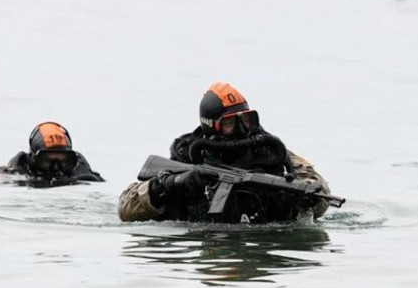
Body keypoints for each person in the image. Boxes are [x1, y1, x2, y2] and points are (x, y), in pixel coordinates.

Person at [119, 82, 331, 223]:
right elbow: (125, 208)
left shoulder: (273, 152)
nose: (241, 129)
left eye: (246, 120)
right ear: (211, 125)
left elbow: (321, 193)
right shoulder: (189, 155)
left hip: (259, 245)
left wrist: (303, 198)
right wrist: (173, 184)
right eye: (230, 123)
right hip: (204, 241)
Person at [4, 121, 104, 182]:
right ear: (33, 159)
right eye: (47, 161)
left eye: (64, 162)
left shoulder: (82, 173)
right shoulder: (16, 174)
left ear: (73, 161)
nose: (56, 169)